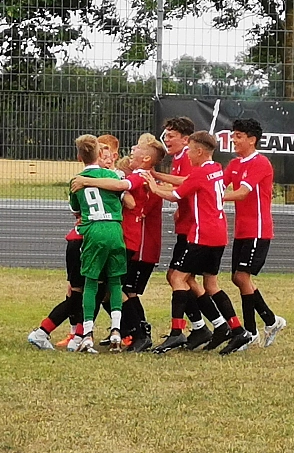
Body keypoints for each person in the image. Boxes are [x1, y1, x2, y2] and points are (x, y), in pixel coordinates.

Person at [146, 131, 248, 353]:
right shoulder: (216, 169)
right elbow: (188, 183)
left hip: (203, 235)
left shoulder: (200, 173)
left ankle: (176, 332)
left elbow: (175, 195)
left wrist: (153, 187)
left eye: (190, 151)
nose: (188, 155)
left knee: (178, 278)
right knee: (211, 285)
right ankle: (237, 330)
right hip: (219, 233)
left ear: (199, 151)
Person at [70, 133, 168, 352]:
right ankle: (126, 330)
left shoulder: (139, 175)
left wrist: (87, 181)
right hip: (120, 235)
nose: (132, 149)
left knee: (112, 288)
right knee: (112, 288)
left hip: (126, 237)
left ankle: (137, 333)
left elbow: (124, 190)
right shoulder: (136, 173)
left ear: (146, 158)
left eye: (137, 148)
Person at [221, 118, 285, 352]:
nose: (234, 140)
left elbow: (241, 193)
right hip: (241, 230)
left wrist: (215, 198)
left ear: (252, 139)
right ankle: (270, 320)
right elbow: (219, 184)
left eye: (238, 136)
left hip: (258, 230)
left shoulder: (260, 163)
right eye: (233, 135)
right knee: (237, 278)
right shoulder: (234, 164)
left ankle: (250, 332)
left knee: (242, 277)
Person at [151, 116, 209, 346]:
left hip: (193, 228)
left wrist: (154, 177)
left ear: (186, 140)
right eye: (165, 135)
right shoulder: (179, 157)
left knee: (179, 277)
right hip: (187, 225)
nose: (167, 139)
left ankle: (213, 326)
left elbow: (186, 182)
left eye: (171, 135)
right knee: (185, 279)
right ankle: (203, 327)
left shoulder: (187, 156)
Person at [67, 134, 128, 353]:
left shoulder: (76, 180)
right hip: (115, 228)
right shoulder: (111, 175)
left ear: (79, 157)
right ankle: (116, 330)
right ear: (99, 154)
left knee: (90, 282)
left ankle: (87, 334)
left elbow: (75, 210)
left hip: (94, 230)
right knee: (115, 281)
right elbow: (124, 192)